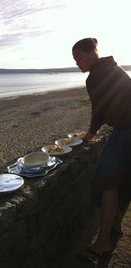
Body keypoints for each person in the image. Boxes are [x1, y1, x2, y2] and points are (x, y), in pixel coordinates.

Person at [72, 37, 131, 259]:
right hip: (126, 129)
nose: (77, 62)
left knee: (107, 181)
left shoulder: (96, 76)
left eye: (80, 57)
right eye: (75, 59)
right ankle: (115, 224)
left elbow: (99, 108)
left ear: (92, 53)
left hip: (126, 130)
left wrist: (89, 134)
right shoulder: (113, 68)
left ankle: (104, 241)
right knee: (125, 180)